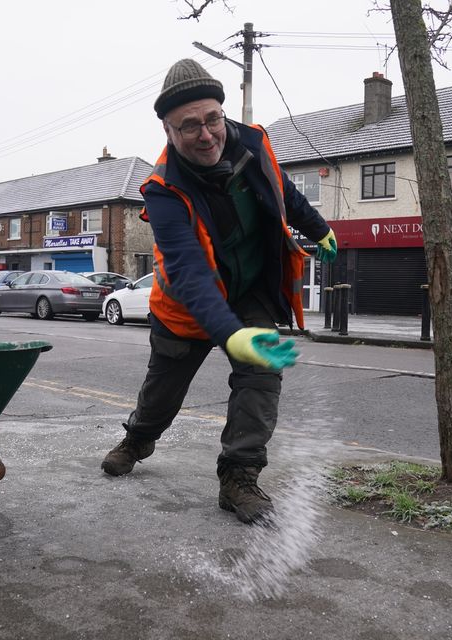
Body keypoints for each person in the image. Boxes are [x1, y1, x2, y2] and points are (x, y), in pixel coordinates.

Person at [100, 59, 338, 524]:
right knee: (162, 392)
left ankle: (239, 476)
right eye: (189, 126)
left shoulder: (252, 142)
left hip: (249, 288)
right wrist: (228, 333)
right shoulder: (163, 190)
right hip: (187, 306)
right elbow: (190, 273)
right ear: (169, 131)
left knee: (261, 375)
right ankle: (138, 439)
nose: (206, 134)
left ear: (222, 113)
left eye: (212, 119)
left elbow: (282, 190)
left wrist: (317, 226)